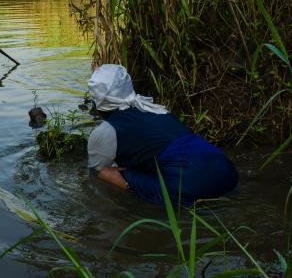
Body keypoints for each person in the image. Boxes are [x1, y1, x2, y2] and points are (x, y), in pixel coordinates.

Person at [87, 64, 238, 205]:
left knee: (102, 172)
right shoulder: (157, 110)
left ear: (97, 103)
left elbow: (99, 170)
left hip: (188, 188)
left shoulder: (105, 130)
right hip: (228, 174)